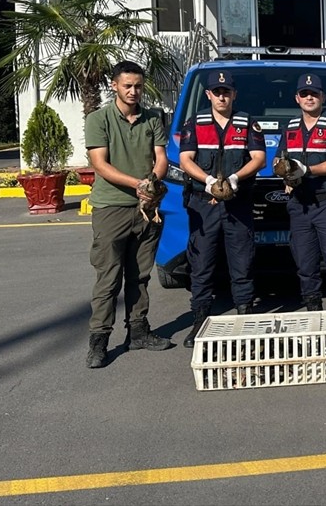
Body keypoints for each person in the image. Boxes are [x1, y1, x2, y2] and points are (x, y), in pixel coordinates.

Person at [83, 60, 173, 369]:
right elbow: (100, 163)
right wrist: (137, 184)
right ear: (114, 86)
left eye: (138, 86)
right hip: (111, 208)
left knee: (140, 275)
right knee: (108, 278)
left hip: (146, 209)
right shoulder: (99, 119)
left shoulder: (152, 119)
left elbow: (160, 157)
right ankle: (99, 341)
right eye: (127, 86)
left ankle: (138, 331)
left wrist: (152, 182)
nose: (134, 91)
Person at [178, 70, 267, 349]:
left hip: (237, 202)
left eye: (226, 91)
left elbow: (260, 158)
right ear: (208, 95)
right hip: (203, 204)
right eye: (216, 91)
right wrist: (205, 181)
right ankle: (200, 320)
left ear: (234, 94)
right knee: (201, 264)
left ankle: (245, 316)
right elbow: (185, 159)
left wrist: (235, 178)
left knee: (242, 262)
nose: (221, 96)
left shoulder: (247, 122)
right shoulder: (195, 122)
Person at [283, 73, 326, 312]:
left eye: (314, 94)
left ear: (322, 96)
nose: (309, 97)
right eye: (304, 94)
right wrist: (284, 174)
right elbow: (280, 161)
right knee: (305, 265)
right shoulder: (290, 127)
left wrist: (306, 170)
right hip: (300, 205)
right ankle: (313, 313)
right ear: (297, 98)